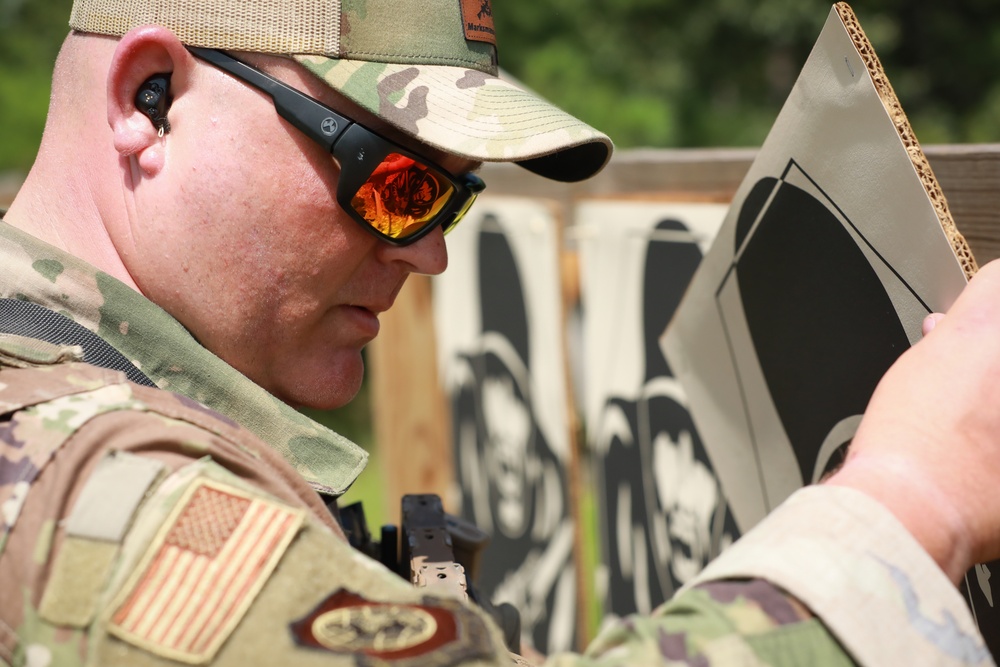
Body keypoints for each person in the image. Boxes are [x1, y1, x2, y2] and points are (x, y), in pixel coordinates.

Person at [0, 0, 995, 664]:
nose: (428, 254)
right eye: (395, 184)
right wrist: (911, 498)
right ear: (151, 101)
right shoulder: (102, 497)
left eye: (450, 198)